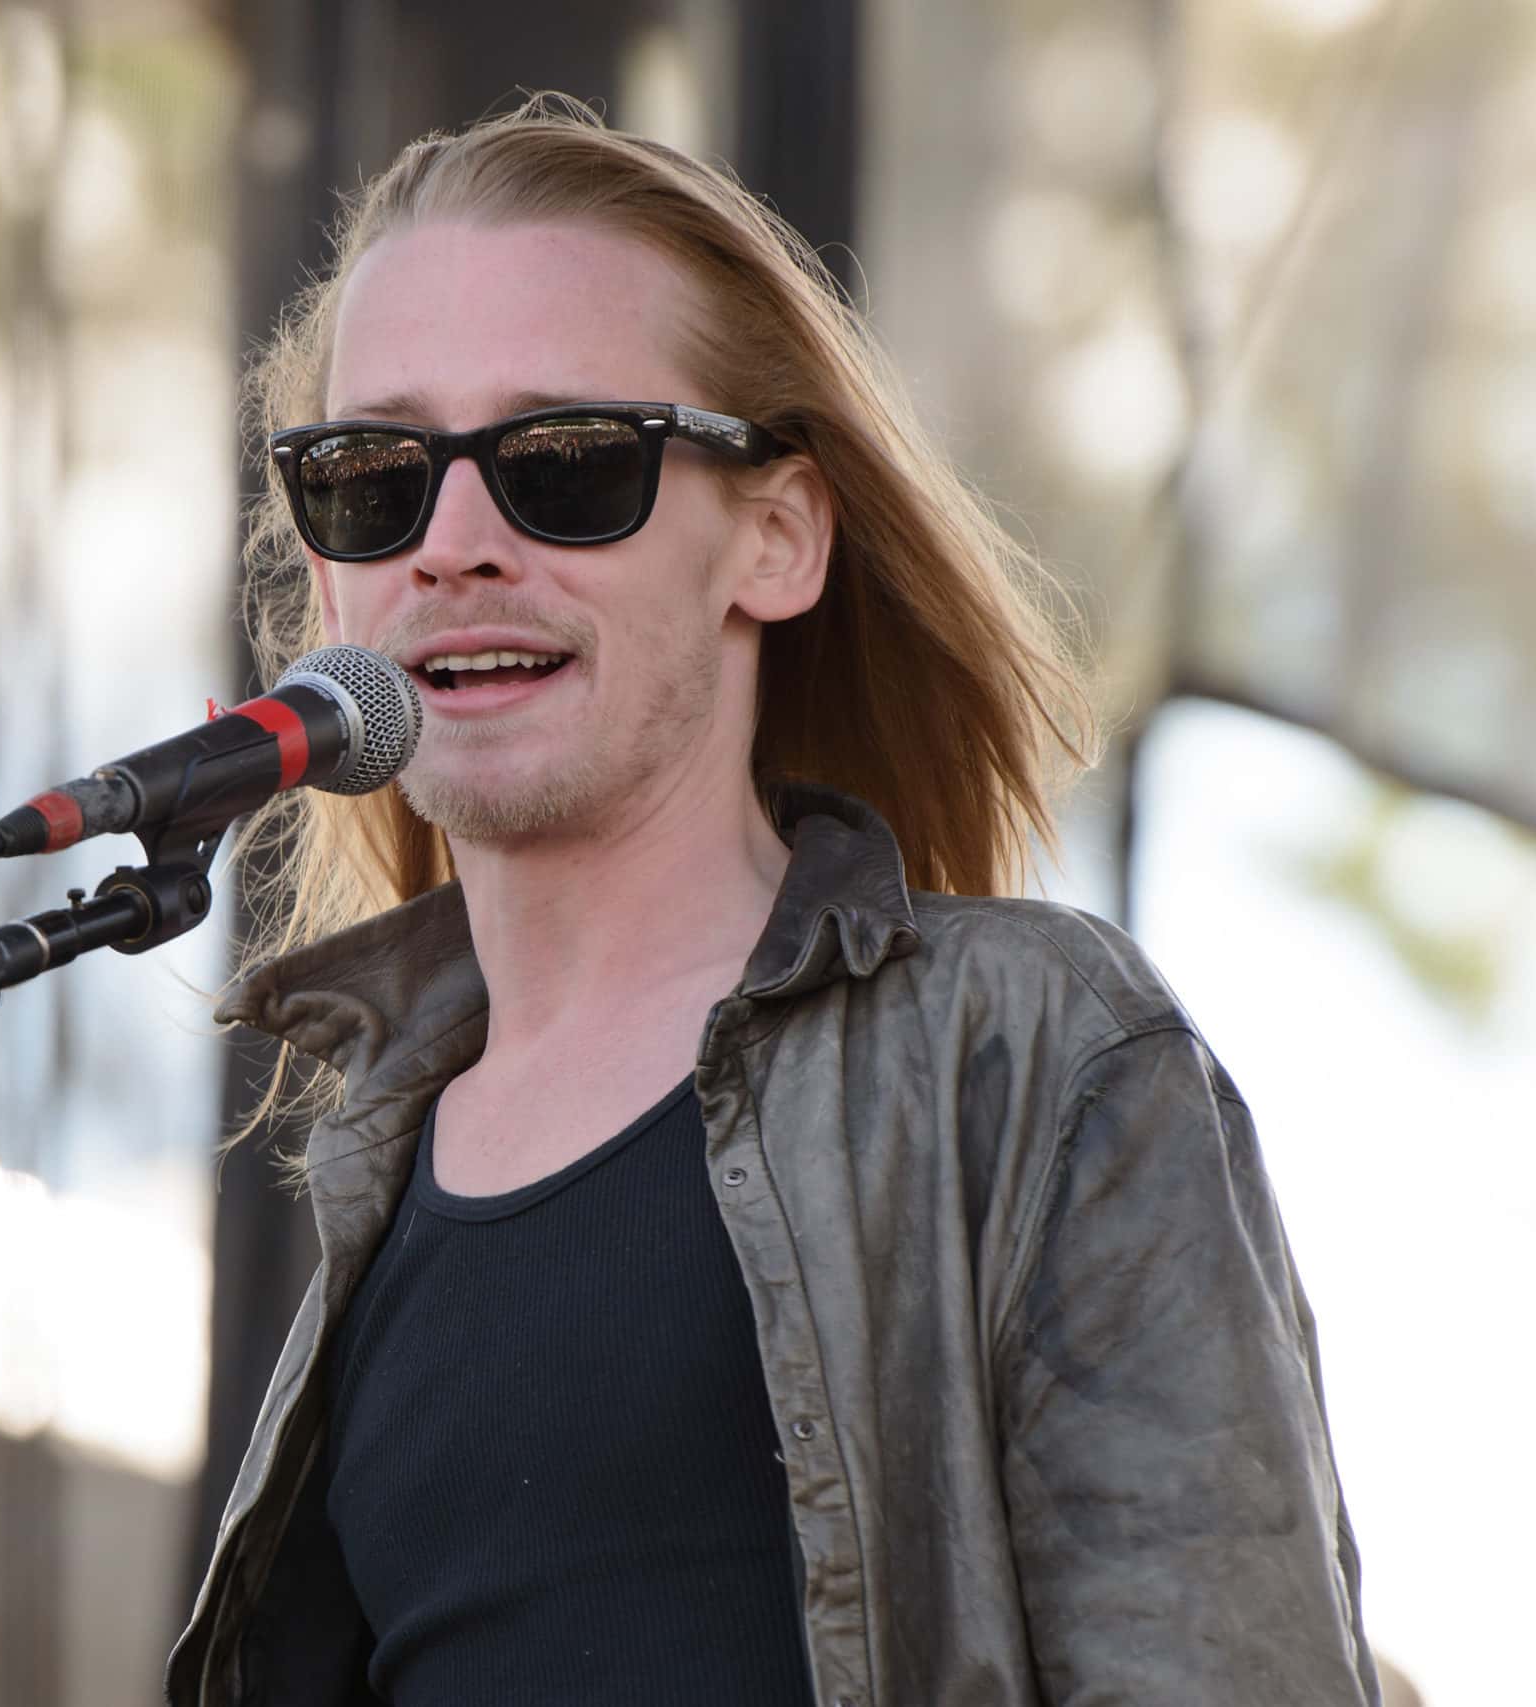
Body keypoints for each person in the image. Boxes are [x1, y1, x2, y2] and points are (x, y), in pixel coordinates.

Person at [168, 98, 1379, 1707]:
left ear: (780, 538)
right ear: (325, 573)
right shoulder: (365, 1177)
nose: (450, 546)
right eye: (375, 475)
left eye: (565, 463)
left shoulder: (1034, 1055)